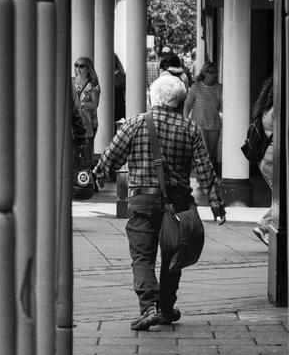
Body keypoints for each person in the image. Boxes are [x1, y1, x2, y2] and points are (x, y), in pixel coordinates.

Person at [92, 73, 226, 331]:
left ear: (153, 97)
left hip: (143, 200)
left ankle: (149, 306)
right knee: (174, 255)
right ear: (178, 101)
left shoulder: (134, 124)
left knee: (142, 256)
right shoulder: (191, 130)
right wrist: (217, 204)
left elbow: (110, 158)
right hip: (178, 204)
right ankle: (165, 307)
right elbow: (205, 170)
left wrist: (97, 176)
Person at [183, 60, 222, 171]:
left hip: (214, 124)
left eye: (216, 72)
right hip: (199, 124)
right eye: (212, 72)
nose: (215, 75)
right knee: (205, 152)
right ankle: (203, 176)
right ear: (205, 72)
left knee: (212, 153)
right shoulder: (196, 87)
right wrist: (186, 122)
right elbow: (187, 106)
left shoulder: (219, 88)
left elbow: (225, 106)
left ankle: (208, 176)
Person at [250, 76, 275, 246]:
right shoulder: (275, 112)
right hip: (273, 159)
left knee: (281, 196)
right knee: (286, 198)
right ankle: (264, 226)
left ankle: (267, 226)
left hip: (265, 159)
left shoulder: (265, 110)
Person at [73, 56, 100, 162]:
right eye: (76, 65)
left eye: (81, 66)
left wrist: (81, 104)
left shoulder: (93, 85)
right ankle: (74, 176)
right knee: (73, 151)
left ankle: (87, 176)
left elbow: (95, 104)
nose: (78, 68)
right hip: (74, 123)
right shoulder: (71, 82)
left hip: (89, 123)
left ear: (88, 69)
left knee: (86, 152)